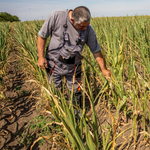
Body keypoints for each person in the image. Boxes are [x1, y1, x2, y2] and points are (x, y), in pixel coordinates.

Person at [37, 6, 111, 110]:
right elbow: (42, 36)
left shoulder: (88, 29)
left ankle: (76, 115)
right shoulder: (56, 16)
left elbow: (96, 50)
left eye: (87, 25)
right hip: (53, 64)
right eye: (82, 26)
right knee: (56, 92)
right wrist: (40, 57)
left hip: (74, 66)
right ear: (72, 20)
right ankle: (59, 116)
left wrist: (103, 69)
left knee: (76, 91)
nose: (85, 28)